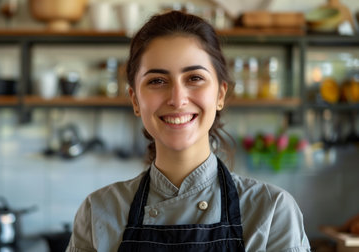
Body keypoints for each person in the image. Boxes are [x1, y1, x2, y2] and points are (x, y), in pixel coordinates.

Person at [66, 11, 310, 252]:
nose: (177, 99)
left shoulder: (271, 212)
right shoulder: (98, 211)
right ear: (135, 100)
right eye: (157, 81)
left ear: (220, 94)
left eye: (194, 78)